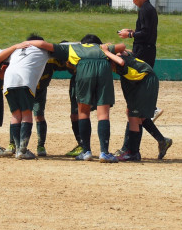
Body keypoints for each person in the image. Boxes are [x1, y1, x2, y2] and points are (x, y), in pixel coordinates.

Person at [27, 35, 125, 163]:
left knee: (83, 112)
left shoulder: (74, 48)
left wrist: (23, 44)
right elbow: (122, 46)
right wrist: (106, 47)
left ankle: (86, 151)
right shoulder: (101, 48)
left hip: (84, 70)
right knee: (103, 114)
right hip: (103, 70)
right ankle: (104, 153)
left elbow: (44, 44)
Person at [101, 45, 172, 160]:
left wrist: (106, 52)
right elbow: (127, 51)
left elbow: (121, 62)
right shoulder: (122, 54)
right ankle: (162, 140)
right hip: (142, 80)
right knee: (137, 115)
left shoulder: (117, 59)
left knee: (134, 115)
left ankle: (133, 153)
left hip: (145, 81)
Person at [117, 0, 165, 154]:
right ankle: (159, 139)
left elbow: (145, 34)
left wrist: (129, 35)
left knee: (135, 108)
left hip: (144, 52)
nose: (133, 2)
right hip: (146, 51)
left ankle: (129, 149)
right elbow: (145, 31)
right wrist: (132, 31)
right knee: (134, 109)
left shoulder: (145, 9)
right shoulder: (148, 9)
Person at [2, 34, 50, 160]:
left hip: (8, 82)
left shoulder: (16, 50)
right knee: (27, 113)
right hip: (25, 81)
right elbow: (65, 46)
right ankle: (22, 150)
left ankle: (18, 148)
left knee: (15, 114)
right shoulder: (43, 50)